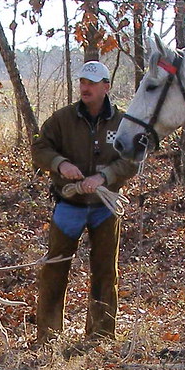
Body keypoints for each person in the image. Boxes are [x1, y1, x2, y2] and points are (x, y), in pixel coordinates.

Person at [31, 60, 139, 346]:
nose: (85, 87)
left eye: (92, 83)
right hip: (69, 207)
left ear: (106, 87)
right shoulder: (62, 119)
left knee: (105, 272)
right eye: (82, 82)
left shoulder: (123, 122)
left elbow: (131, 160)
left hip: (105, 209)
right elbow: (39, 147)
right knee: (55, 268)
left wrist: (105, 176)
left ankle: (101, 337)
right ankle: (48, 338)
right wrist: (60, 163)